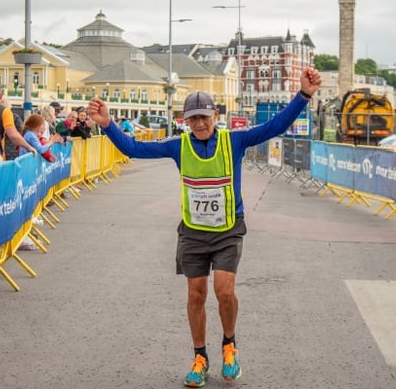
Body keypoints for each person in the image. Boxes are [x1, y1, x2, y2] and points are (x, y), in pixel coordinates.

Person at [87, 66, 322, 387]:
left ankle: (229, 346)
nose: (199, 124)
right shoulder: (177, 145)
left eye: (204, 117)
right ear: (185, 120)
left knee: (224, 291)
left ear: (215, 115)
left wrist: (304, 95)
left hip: (228, 229)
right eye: (193, 118)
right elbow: (133, 149)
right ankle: (200, 356)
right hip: (193, 232)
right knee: (196, 294)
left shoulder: (235, 140)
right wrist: (108, 125)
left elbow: (275, 126)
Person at [0, 85, 36, 159]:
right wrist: (28, 147)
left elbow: (13, 134)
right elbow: (13, 135)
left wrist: (28, 147)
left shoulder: (1, 113)